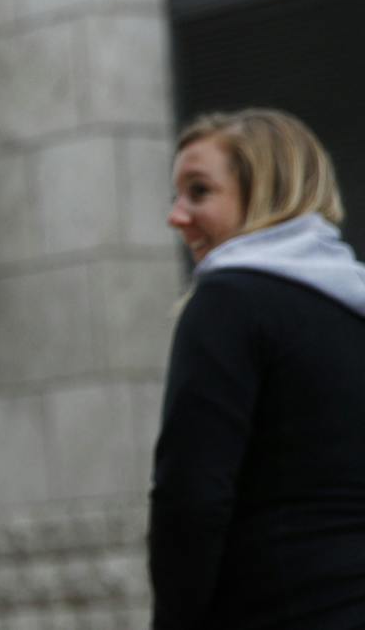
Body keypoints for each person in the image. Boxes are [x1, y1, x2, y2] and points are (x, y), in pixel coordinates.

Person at [150, 108, 365, 629]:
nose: (177, 216)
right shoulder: (352, 303)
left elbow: (191, 499)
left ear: (266, 191)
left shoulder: (228, 300)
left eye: (199, 191)